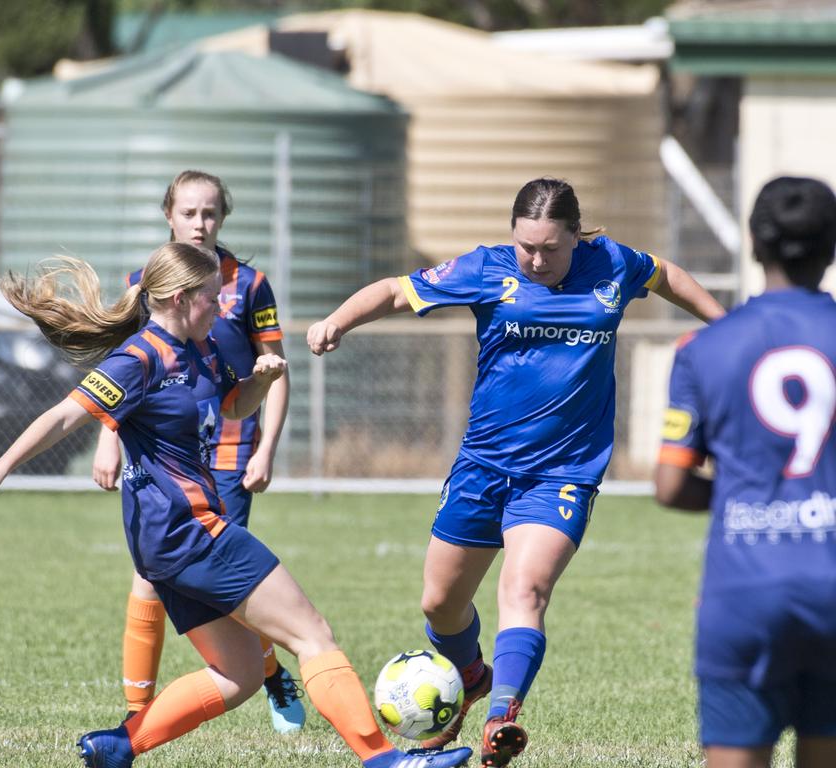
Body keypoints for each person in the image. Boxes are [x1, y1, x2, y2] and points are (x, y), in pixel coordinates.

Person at [0, 243, 474, 768]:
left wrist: (258, 385)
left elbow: (232, 406)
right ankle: (383, 759)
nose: (221, 307)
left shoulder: (204, 348)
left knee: (238, 673)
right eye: (212, 297)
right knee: (311, 634)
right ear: (177, 299)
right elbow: (63, 416)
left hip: (165, 544)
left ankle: (119, 747)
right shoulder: (138, 358)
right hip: (190, 531)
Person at [307, 177, 726, 767]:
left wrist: (723, 323)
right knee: (439, 604)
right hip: (483, 465)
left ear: (576, 238)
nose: (537, 259)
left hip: (563, 471)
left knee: (523, 590)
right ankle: (473, 677)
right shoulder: (487, 269)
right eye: (527, 246)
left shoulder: (613, 264)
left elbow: (667, 275)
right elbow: (397, 292)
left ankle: (502, 715)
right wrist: (338, 321)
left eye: (551, 248)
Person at [90, 170, 303, 732]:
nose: (199, 223)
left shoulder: (249, 284)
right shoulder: (147, 281)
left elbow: (275, 374)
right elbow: (121, 375)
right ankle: (136, 718)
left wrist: (267, 449)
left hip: (227, 450)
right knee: (148, 580)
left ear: (222, 219)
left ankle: (272, 674)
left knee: (237, 590)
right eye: (189, 212)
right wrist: (107, 437)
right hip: (160, 452)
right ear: (169, 216)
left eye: (210, 213)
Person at [654, 176, 836, 768]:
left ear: (754, 246)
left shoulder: (703, 349)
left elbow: (671, 485)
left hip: (744, 593)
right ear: (831, 246)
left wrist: (746, 493)